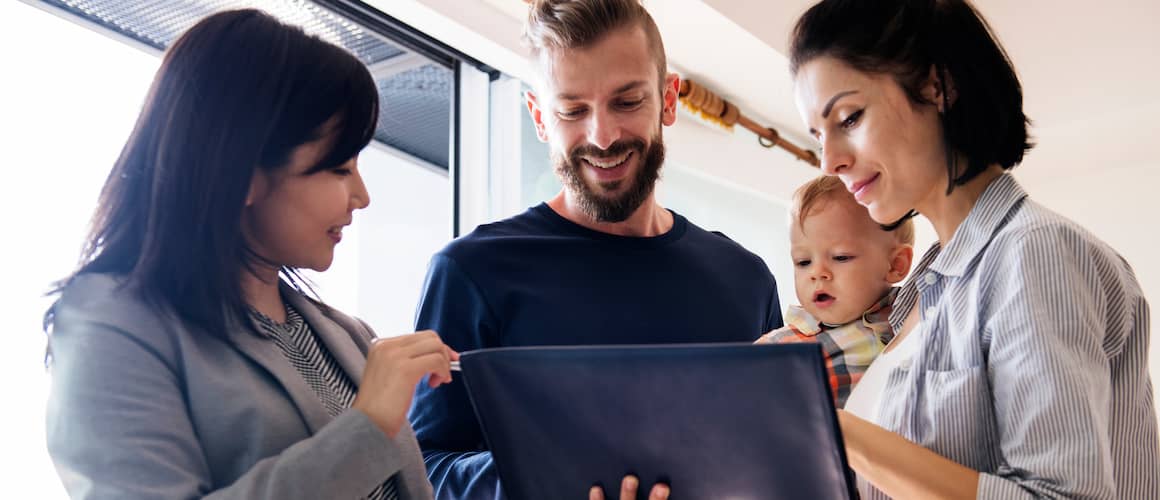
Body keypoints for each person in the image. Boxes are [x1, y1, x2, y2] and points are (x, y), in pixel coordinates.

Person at [43, 10, 456, 499]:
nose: (362, 196)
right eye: (340, 168)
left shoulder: (346, 335)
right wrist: (368, 427)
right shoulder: (112, 324)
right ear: (241, 173)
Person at [406, 1, 783, 498]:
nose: (602, 136)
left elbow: (778, 455)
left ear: (668, 101)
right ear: (541, 118)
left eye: (627, 102)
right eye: (573, 110)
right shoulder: (470, 272)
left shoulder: (746, 280)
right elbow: (420, 471)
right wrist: (559, 472)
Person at [790, 0, 1158, 498]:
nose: (829, 160)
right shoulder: (921, 291)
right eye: (818, 136)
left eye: (849, 118)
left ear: (937, 86)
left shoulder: (1033, 252)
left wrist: (832, 426)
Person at [757, 175, 913, 407]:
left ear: (895, 265)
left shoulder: (919, 314)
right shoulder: (776, 348)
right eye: (803, 262)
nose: (817, 273)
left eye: (841, 257)